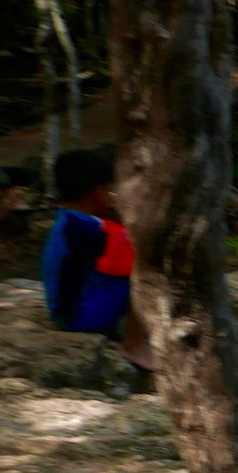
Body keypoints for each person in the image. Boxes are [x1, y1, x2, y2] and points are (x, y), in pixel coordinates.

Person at [40, 148, 152, 371]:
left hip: (64, 312)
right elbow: (136, 250)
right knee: (146, 278)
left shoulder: (69, 222)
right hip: (77, 316)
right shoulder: (85, 229)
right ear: (98, 192)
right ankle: (134, 344)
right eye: (110, 190)